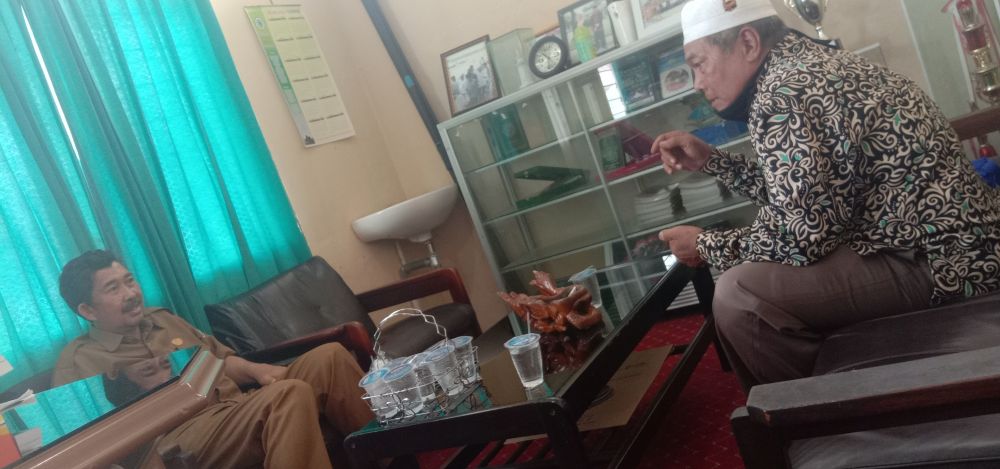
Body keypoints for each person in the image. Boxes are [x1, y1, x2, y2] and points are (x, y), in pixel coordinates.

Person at [652, 0, 1000, 391]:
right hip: (955, 243)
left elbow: (803, 237)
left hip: (944, 260)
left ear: (748, 42)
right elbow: (807, 196)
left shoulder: (782, 92)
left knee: (739, 294)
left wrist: (706, 244)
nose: (697, 83)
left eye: (699, 64)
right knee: (751, 281)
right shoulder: (810, 64)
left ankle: (816, 410)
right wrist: (711, 161)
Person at [53, 250, 374, 469]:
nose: (131, 293)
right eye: (113, 288)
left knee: (329, 357)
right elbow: (86, 445)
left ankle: (388, 457)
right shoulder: (80, 363)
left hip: (236, 406)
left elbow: (219, 359)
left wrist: (259, 370)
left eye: (130, 280)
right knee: (287, 395)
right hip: (182, 436)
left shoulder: (163, 319)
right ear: (87, 310)